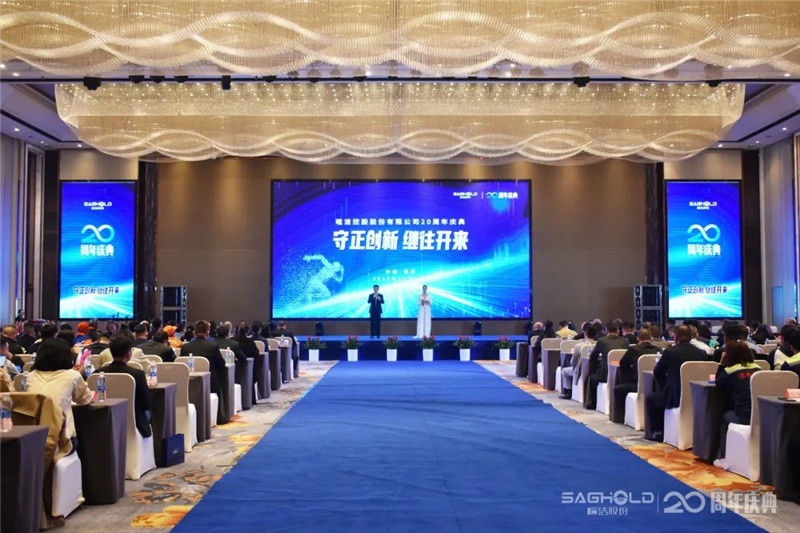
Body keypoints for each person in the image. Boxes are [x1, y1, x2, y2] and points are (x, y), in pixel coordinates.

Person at [27, 338, 93, 454]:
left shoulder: (31, 375)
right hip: (61, 439)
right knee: (85, 438)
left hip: (32, 437)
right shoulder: (72, 375)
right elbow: (84, 400)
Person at [645, 326, 707, 441]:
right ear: (691, 337)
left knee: (651, 399)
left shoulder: (670, 352)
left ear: (676, 337)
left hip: (675, 396)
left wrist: (665, 386)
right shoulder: (700, 353)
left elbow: (658, 372)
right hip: (697, 396)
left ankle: (658, 432)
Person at [714, 341, 762, 465]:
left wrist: (721, 364)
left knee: (724, 417)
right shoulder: (759, 369)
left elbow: (718, 383)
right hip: (762, 416)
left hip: (743, 416)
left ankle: (724, 457)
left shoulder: (730, 371)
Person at [103, 335, 153, 437]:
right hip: (134, 419)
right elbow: (146, 404)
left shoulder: (98, 374)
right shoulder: (137, 374)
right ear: (128, 354)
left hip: (105, 419)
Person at [613, 329, 662, 416]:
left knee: (617, 389)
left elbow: (623, 364)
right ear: (651, 338)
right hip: (655, 385)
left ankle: (621, 416)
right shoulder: (659, 350)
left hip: (637, 385)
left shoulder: (634, 350)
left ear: (638, 339)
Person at [585, 322, 630, 409]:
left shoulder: (602, 341)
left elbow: (593, 356)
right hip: (622, 374)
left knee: (592, 378)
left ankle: (593, 403)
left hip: (605, 373)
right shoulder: (625, 341)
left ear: (606, 331)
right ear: (618, 331)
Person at [180, 321, 227, 399]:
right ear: (207, 332)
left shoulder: (185, 347)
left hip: (189, 384)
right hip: (210, 385)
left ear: (194, 333)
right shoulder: (212, 346)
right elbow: (221, 364)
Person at [560, 324, 598, 399]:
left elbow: (573, 362)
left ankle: (568, 391)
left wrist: (574, 368)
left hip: (579, 371)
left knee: (564, 371)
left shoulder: (578, 346)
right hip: (595, 371)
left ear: (585, 334)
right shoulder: (598, 345)